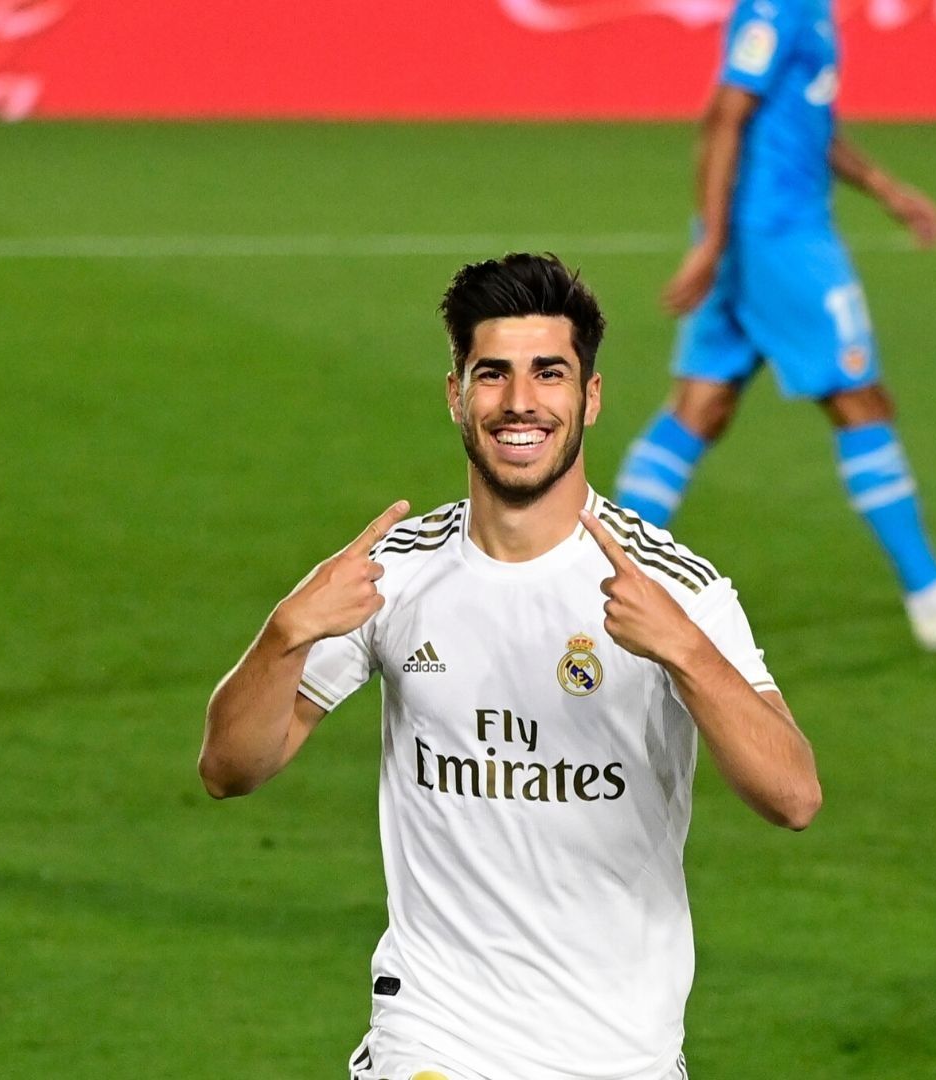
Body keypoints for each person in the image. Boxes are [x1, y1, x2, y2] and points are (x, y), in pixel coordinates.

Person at [198, 253, 820, 1080]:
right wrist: (282, 635)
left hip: (620, 1049)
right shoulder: (396, 572)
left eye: (549, 374)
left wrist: (683, 651)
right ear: (456, 393)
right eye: (492, 374)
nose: (519, 403)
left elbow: (794, 797)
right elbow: (229, 770)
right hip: (435, 1033)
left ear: (589, 398)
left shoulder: (672, 590)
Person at [611, 0, 936, 651]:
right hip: (779, 241)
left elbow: (806, 125)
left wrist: (885, 188)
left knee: (701, 405)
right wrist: (715, 241)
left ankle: (595, 583)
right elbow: (725, 116)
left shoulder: (808, 9)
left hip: (755, 236)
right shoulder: (774, 9)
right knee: (859, 398)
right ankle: (931, 598)